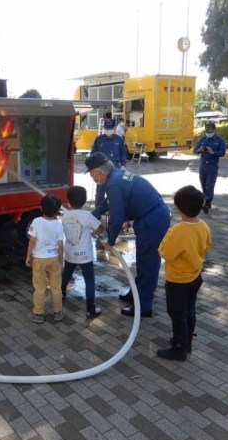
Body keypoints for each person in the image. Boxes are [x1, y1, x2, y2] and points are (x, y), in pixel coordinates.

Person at [85, 152, 171, 317]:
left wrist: (110, 241)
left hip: (152, 221)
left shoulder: (114, 184)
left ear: (98, 173)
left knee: (148, 264)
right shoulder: (116, 176)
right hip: (153, 216)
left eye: (91, 176)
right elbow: (108, 202)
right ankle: (136, 295)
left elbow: (116, 218)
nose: (93, 179)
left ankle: (144, 306)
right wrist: (92, 214)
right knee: (143, 262)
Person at [157, 186, 211, 361]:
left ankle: (179, 349)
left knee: (176, 313)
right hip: (195, 276)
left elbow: (165, 253)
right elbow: (207, 246)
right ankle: (186, 342)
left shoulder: (178, 230)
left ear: (179, 208)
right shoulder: (203, 226)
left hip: (178, 280)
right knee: (189, 310)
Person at [61, 186, 104, 319]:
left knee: (66, 274)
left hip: (69, 253)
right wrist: (92, 232)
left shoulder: (65, 215)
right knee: (89, 280)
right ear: (84, 201)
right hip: (85, 256)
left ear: (68, 200)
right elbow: (101, 228)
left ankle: (61, 294)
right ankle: (90, 309)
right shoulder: (87, 216)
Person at [25, 195, 65, 323]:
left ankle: (38, 314)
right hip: (53, 259)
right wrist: (61, 260)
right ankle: (58, 312)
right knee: (56, 287)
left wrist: (28, 256)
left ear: (41, 207)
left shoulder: (36, 222)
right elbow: (60, 245)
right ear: (58, 210)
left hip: (39, 260)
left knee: (39, 288)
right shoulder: (59, 225)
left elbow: (32, 240)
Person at [90, 118, 127, 206]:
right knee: (100, 193)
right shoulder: (99, 139)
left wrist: (123, 166)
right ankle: (97, 215)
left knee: (115, 192)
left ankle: (114, 213)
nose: (108, 130)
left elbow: (123, 154)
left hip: (115, 169)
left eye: (110, 129)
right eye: (106, 128)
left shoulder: (119, 140)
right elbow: (93, 154)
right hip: (101, 169)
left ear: (113, 128)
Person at [193, 121, 226, 213]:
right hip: (203, 165)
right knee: (203, 185)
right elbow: (194, 150)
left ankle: (207, 203)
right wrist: (198, 150)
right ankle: (207, 201)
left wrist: (214, 152)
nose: (208, 132)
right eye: (207, 129)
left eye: (210, 129)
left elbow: (223, 152)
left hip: (212, 166)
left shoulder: (219, 140)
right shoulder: (203, 139)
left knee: (209, 185)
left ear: (215, 130)